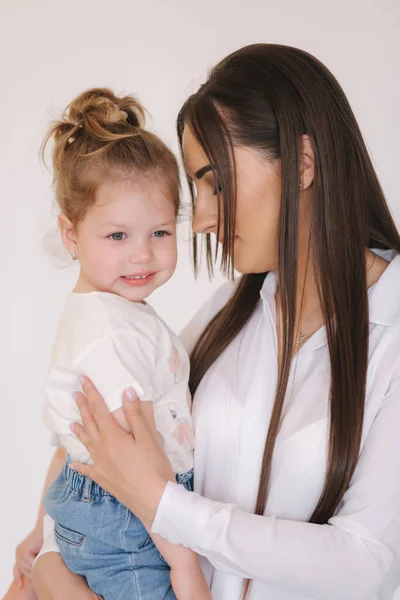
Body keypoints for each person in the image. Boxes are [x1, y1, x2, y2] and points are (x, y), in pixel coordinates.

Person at [12, 42, 400, 599]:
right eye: (196, 188)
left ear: (303, 164)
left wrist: (169, 507)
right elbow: (98, 453)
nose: (202, 219)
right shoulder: (229, 311)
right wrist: (50, 562)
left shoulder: (390, 338)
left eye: (215, 181)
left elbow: (367, 562)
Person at [7, 88, 210, 600]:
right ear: (71, 235)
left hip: (103, 508)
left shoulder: (107, 312)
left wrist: (43, 529)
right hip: (131, 523)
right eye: (118, 236)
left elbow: (70, 444)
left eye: (160, 232)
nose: (142, 254)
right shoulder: (110, 334)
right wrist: (184, 568)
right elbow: (135, 469)